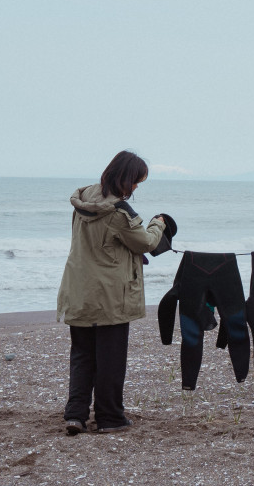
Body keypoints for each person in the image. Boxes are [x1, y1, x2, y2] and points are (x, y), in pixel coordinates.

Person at [56, 151, 167, 435]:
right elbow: (145, 243)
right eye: (136, 182)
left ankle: (75, 415)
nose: (136, 188)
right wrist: (159, 223)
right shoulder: (120, 213)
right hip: (110, 297)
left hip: (79, 290)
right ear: (126, 179)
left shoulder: (83, 201)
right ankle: (109, 417)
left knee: (82, 355)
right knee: (110, 359)